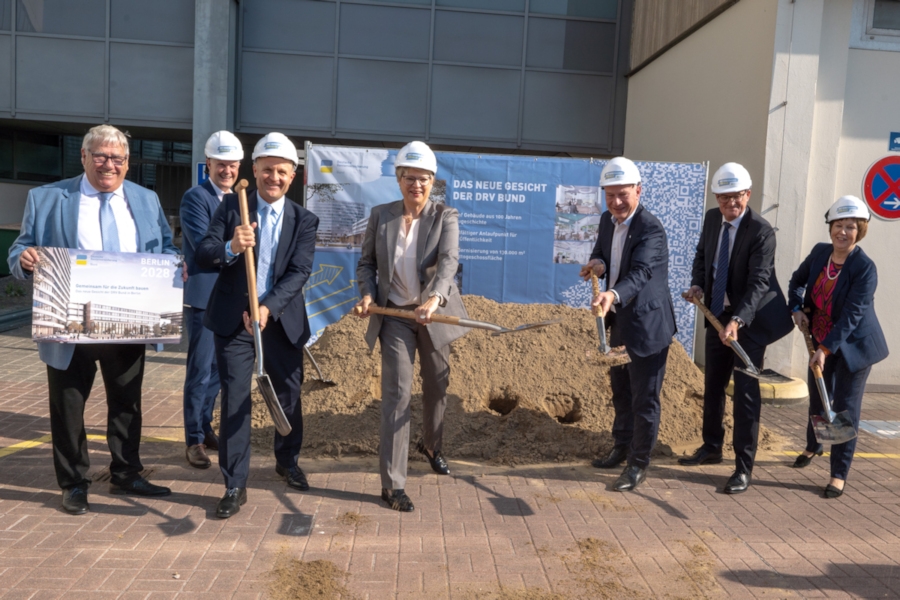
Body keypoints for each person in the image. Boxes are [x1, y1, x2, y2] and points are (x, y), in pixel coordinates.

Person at [7, 124, 179, 515]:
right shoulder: (47, 197)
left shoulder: (146, 199)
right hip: (67, 324)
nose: (109, 165)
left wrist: (174, 267)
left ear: (128, 163)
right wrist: (25, 259)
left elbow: (166, 249)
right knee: (68, 407)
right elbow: (20, 248)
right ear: (84, 156)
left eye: (117, 158)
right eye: (100, 156)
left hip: (129, 322)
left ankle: (126, 473)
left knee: (127, 403)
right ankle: (73, 483)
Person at [196, 132, 318, 518]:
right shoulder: (234, 206)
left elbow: (299, 272)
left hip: (280, 321)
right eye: (267, 170)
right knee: (235, 398)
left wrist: (266, 307)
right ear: (255, 170)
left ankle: (287, 460)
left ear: (293, 176)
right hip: (234, 321)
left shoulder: (303, 220)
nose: (273, 178)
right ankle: (235, 483)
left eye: (281, 171)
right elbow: (204, 253)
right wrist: (231, 246)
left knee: (288, 395)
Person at [355, 141, 468, 512]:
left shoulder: (445, 216)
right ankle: (393, 485)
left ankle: (431, 445)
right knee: (398, 394)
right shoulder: (381, 216)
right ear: (398, 179)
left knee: (436, 386)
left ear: (432, 181)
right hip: (395, 317)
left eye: (423, 178)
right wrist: (367, 294)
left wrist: (434, 300)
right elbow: (366, 264)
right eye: (409, 177)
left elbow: (449, 263)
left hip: (433, 314)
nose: (416, 184)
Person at [679, 163, 793, 494]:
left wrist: (738, 320)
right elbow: (703, 257)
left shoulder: (761, 232)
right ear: (716, 198)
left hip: (750, 321)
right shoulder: (712, 219)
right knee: (713, 384)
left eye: (737, 196)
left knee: (744, 392)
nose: (730, 204)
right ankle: (712, 447)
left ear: (748, 194)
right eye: (723, 197)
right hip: (717, 313)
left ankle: (743, 467)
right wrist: (698, 284)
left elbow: (759, 283)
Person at [579, 156, 676, 492]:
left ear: (638, 190)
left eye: (623, 194)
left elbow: (641, 273)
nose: (616, 202)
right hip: (619, 323)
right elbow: (604, 253)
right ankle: (621, 447)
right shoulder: (607, 221)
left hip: (648, 328)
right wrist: (597, 264)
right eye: (610, 195)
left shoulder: (651, 229)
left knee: (644, 399)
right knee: (621, 392)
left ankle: (638, 463)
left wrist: (612, 294)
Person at [788, 195, 888, 498]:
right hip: (820, 338)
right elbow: (797, 281)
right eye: (838, 225)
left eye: (850, 227)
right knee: (818, 400)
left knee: (844, 409)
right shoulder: (820, 252)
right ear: (830, 227)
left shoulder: (864, 268)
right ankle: (813, 446)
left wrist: (825, 349)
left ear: (860, 231)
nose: (842, 232)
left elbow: (851, 316)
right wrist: (796, 308)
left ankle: (838, 475)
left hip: (853, 348)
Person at [180, 131, 244, 469]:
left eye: (232, 165)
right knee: (200, 370)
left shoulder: (240, 200)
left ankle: (205, 426)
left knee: (220, 370)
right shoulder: (196, 198)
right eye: (221, 164)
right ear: (208, 164)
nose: (227, 170)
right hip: (205, 299)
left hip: (233, 298)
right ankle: (193, 439)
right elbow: (204, 246)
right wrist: (235, 247)